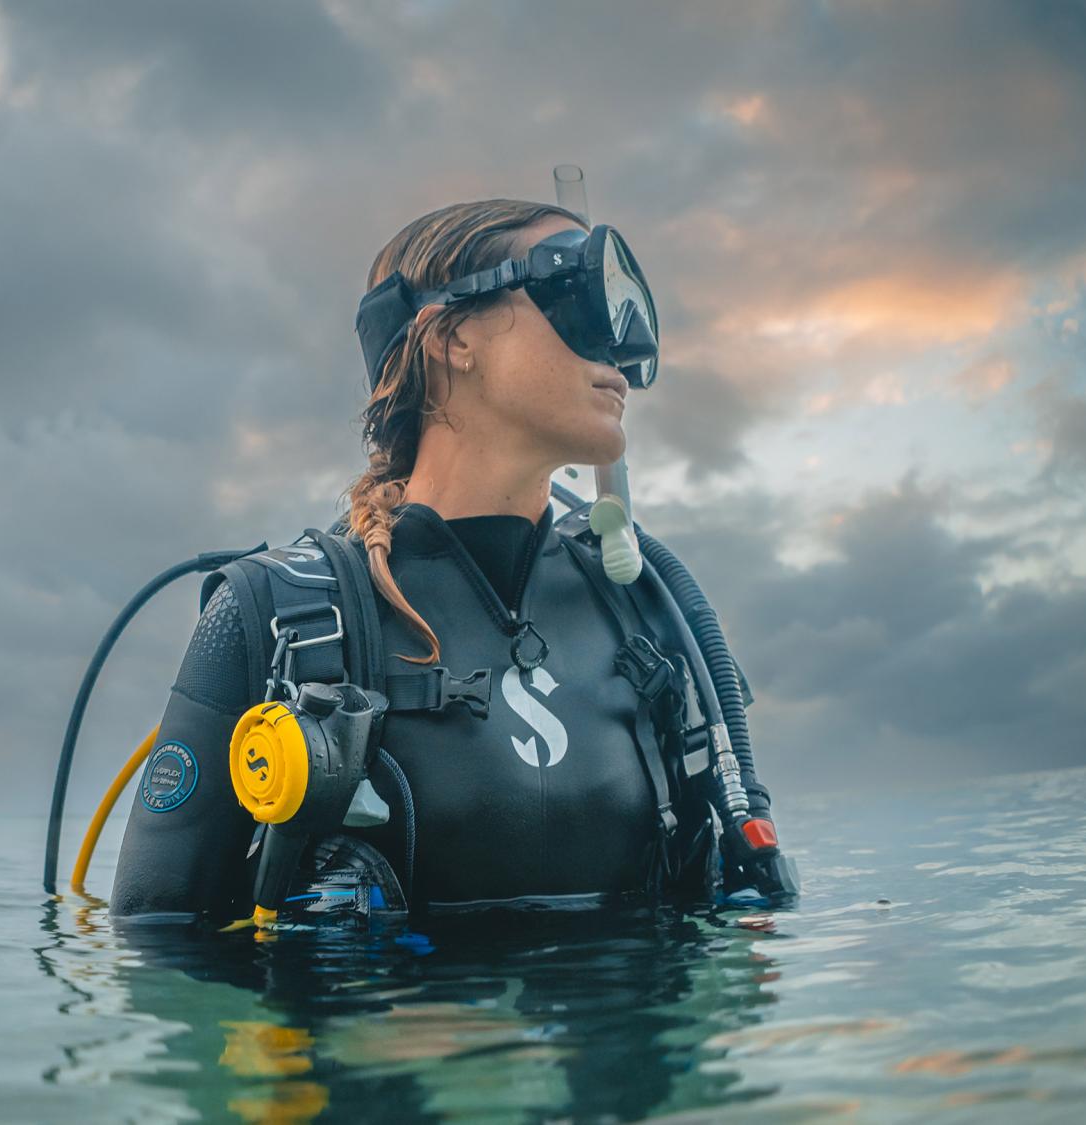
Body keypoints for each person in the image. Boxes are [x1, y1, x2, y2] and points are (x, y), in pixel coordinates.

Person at [111, 198, 782, 922]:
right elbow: (157, 951)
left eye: (622, 318)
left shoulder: (646, 604)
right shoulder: (275, 614)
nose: (615, 351)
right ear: (456, 337)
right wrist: (367, 1023)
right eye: (576, 297)